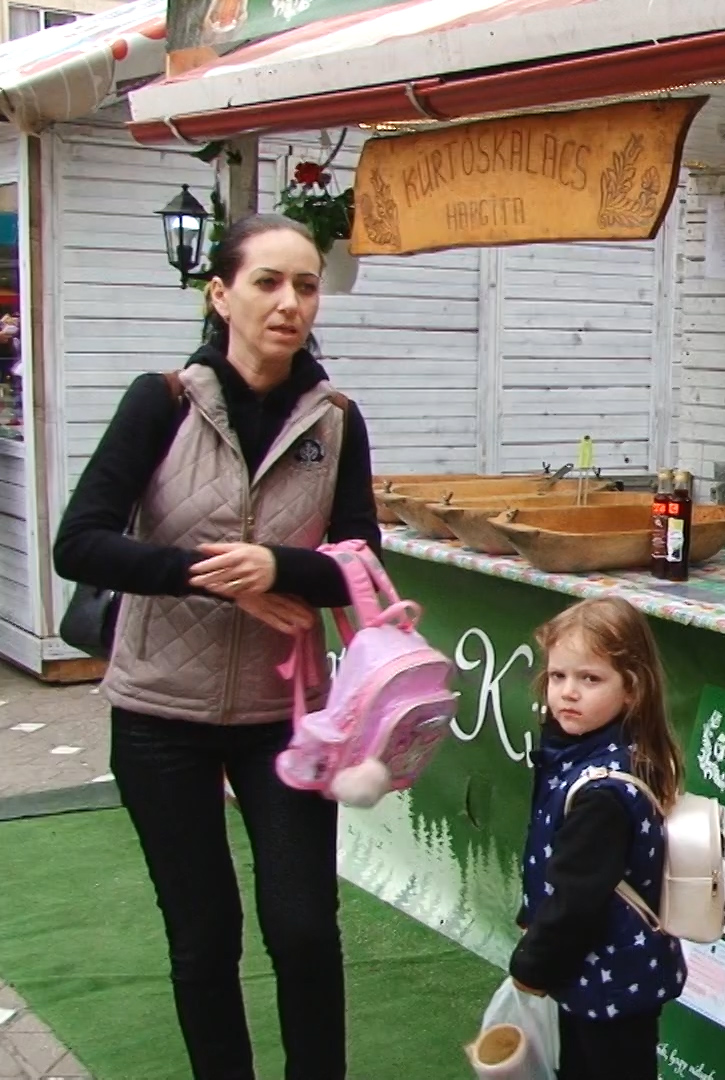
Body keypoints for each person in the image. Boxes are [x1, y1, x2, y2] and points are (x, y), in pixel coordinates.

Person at [51, 213, 378, 1079]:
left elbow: (359, 563)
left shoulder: (336, 420)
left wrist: (279, 565)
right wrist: (215, 575)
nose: (289, 302)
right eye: (268, 282)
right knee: (204, 935)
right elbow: (78, 543)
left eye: (305, 285)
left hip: (285, 715)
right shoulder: (159, 401)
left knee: (304, 929)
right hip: (161, 713)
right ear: (220, 295)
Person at [510, 597, 688, 1080]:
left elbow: (577, 899)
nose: (568, 692)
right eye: (558, 676)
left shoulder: (601, 793)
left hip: (610, 982)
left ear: (632, 689)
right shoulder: (584, 753)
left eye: (590, 679)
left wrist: (531, 966)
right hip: (594, 975)